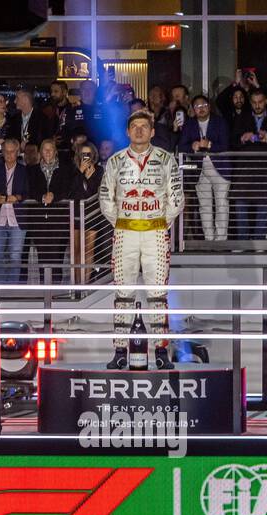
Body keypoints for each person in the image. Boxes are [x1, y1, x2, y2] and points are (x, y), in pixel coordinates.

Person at [98, 110, 183, 369]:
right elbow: (105, 199)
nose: (138, 131)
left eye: (144, 126)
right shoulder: (114, 161)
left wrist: (160, 221)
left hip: (155, 233)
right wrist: (122, 221)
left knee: (158, 294)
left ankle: (160, 351)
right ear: (127, 131)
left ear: (152, 131)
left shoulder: (167, 160)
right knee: (122, 293)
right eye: (134, 126)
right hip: (124, 233)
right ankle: (120, 351)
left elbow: (177, 198)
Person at [179, 94, 232, 242]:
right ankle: (209, 239)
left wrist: (209, 145)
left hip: (220, 167)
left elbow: (226, 145)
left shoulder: (220, 122)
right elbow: (181, 145)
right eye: (197, 106)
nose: (201, 109)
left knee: (222, 204)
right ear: (193, 109)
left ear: (209, 106)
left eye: (203, 105)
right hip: (198, 168)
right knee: (205, 205)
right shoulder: (189, 124)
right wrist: (192, 146)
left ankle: (221, 240)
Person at [230, 89, 267, 240]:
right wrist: (242, 138)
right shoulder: (242, 118)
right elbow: (232, 142)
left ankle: (259, 242)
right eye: (254, 102)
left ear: (266, 101)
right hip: (244, 169)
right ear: (250, 102)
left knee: (263, 205)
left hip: (265, 169)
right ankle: (242, 242)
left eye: (260, 102)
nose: (257, 105)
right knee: (240, 204)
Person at [24, 137, 72, 283]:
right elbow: (28, 190)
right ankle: (44, 289)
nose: (48, 152)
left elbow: (69, 189)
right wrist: (42, 196)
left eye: (51, 149)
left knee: (57, 256)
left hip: (59, 219)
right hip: (39, 219)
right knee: (42, 255)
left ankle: (56, 290)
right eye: (45, 149)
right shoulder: (31, 170)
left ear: (56, 152)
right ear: (40, 152)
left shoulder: (66, 169)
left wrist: (54, 195)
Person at [0, 137, 32, 284]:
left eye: (12, 152)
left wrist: (17, 197)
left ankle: (11, 288)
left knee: (15, 256)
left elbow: (28, 192)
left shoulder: (25, 170)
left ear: (17, 152)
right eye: (6, 152)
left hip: (17, 219)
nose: (10, 155)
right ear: (2, 153)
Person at [70, 142, 102, 284]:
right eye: (83, 154)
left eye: (88, 154)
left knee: (88, 250)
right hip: (76, 213)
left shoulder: (99, 170)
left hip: (91, 214)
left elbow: (94, 193)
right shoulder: (72, 170)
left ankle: (85, 282)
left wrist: (89, 179)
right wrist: (79, 173)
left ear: (93, 155)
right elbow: (71, 192)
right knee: (76, 250)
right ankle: (76, 283)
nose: (86, 157)